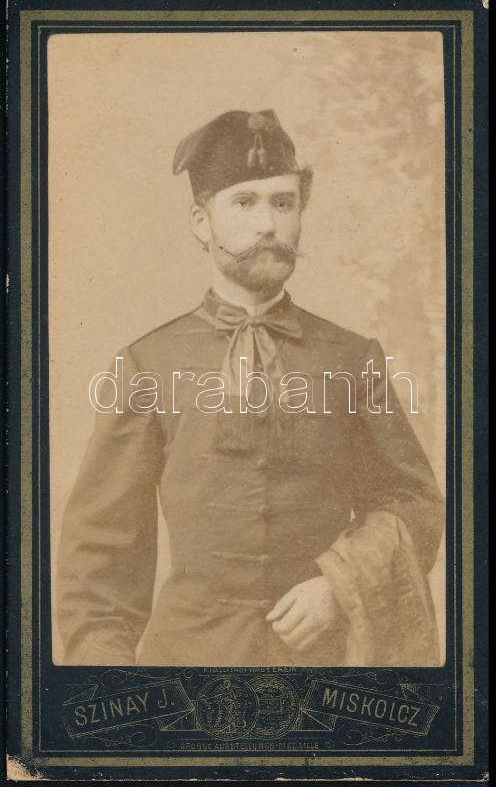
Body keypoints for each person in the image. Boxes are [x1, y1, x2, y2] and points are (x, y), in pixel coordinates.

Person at [57, 109, 444, 667]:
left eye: (283, 203)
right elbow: (98, 572)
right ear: (201, 221)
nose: (268, 224)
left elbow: (413, 502)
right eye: (244, 203)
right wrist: (121, 695)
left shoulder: (351, 358)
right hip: (186, 671)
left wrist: (339, 585)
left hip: (323, 673)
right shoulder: (147, 365)